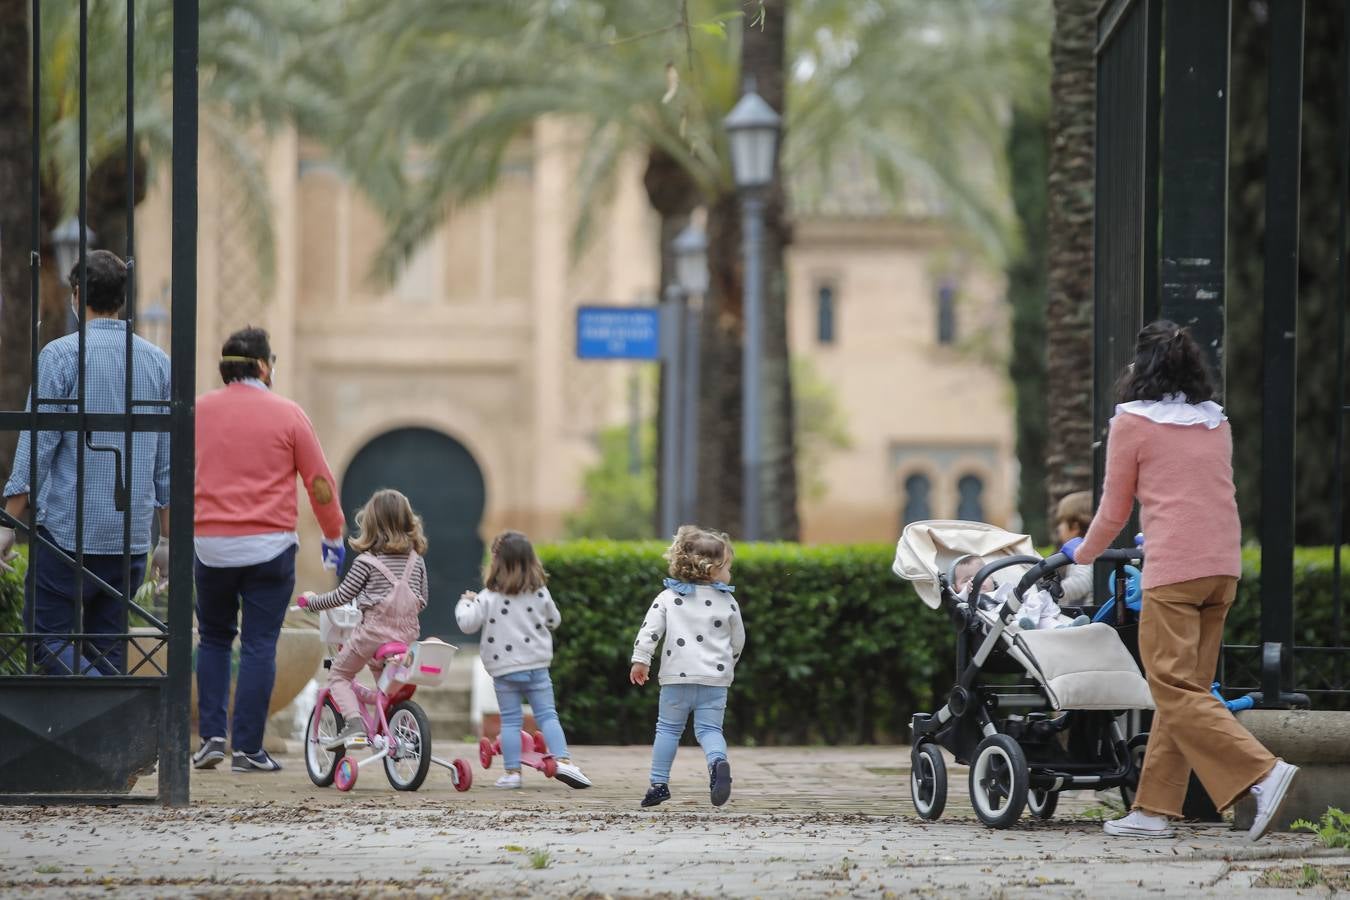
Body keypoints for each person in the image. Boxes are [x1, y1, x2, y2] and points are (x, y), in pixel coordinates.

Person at [1066, 320, 1298, 842]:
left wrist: (1080, 553)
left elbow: (1113, 510)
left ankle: (1261, 772)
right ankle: (1152, 810)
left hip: (1173, 573)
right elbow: (1200, 495)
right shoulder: (1214, 422)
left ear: (1140, 370)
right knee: (1185, 690)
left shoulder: (1132, 423)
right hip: (1221, 568)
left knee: (1169, 687)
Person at [0, 250, 171, 675]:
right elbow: (166, 464)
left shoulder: (61, 356)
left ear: (77, 295)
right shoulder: (157, 363)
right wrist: (166, 539)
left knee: (47, 640)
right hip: (130, 536)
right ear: (122, 300)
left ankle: (94, 712)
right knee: (107, 649)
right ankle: (105, 729)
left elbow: (35, 450)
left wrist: (7, 525)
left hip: (65, 536)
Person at [192, 327, 347, 774]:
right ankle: (247, 750)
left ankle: (211, 740)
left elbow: (174, 468)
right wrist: (333, 536)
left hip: (211, 548)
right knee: (260, 643)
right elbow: (318, 483)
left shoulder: (198, 411)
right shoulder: (288, 414)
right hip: (269, 548)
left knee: (216, 638)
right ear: (263, 366)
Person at [455, 530, 590, 790]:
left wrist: (465, 603)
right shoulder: (540, 593)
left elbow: (467, 624)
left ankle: (513, 773)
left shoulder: (488, 597)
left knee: (511, 720)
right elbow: (555, 620)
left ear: (496, 563)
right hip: (536, 666)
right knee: (548, 715)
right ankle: (564, 760)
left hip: (504, 670)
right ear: (531, 562)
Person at [297, 489, 427, 750]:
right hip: (406, 636)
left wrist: (311, 603)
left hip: (373, 635)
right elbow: (422, 600)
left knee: (339, 675)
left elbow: (341, 596)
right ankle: (389, 727)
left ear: (370, 524)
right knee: (384, 684)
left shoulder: (366, 562)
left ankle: (354, 722)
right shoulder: (417, 561)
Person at [630, 525, 745, 808]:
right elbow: (738, 640)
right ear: (712, 568)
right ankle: (717, 763)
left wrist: (641, 659)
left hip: (676, 678)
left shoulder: (668, 597)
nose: (730, 573)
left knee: (668, 730)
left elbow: (650, 631)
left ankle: (659, 784)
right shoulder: (728, 601)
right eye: (727, 567)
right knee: (709, 731)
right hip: (714, 680)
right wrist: (728, 666)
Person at [1053, 492, 1095, 604]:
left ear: (1075, 526)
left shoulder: (1081, 550)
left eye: (1061, 522)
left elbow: (1082, 582)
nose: (1059, 528)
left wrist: (1051, 592)